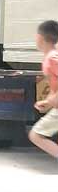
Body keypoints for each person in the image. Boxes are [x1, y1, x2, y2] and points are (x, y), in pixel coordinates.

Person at [28, 19, 58, 159]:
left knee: (36, 135)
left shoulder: (52, 58)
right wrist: (48, 102)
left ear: (40, 38)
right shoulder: (51, 57)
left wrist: (52, 100)